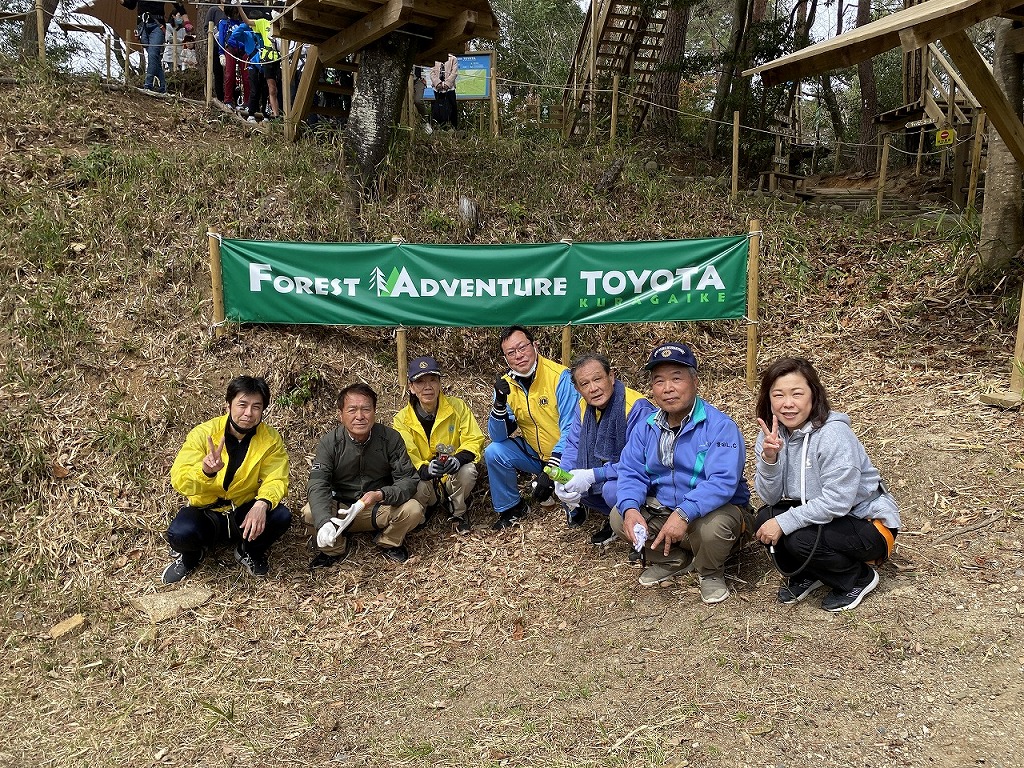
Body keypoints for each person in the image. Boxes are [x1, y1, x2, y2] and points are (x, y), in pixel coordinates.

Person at [753, 357, 900, 612]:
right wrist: (770, 459)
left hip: (866, 523)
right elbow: (771, 497)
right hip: (824, 517)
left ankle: (857, 578)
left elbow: (837, 501)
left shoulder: (833, 434)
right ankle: (812, 572)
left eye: (797, 394)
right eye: (778, 395)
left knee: (796, 536)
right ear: (769, 399)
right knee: (764, 517)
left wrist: (784, 522)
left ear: (814, 394)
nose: (788, 404)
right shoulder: (771, 436)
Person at [613, 343, 752, 604]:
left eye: (677, 378)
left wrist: (684, 512)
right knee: (619, 516)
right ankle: (674, 559)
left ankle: (710, 572)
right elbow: (631, 472)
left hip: (712, 513)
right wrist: (631, 509)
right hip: (666, 511)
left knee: (715, 528)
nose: (668, 388)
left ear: (695, 381)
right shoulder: (647, 427)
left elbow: (722, 482)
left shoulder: (720, 426)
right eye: (659, 381)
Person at [162, 376, 291, 583]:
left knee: (281, 516)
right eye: (242, 405)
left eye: (256, 407)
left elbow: (277, 478)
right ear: (228, 405)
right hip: (207, 512)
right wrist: (205, 471)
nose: (248, 413)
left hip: (242, 510)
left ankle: (248, 550)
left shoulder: (270, 439)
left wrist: (262, 503)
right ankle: (191, 557)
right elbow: (179, 479)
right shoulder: (204, 434)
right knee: (180, 533)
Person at [303, 383, 424, 569]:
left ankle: (388, 541)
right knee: (310, 513)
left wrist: (381, 494)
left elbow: (408, 480)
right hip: (341, 509)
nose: (359, 416)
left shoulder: (390, 439)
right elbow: (318, 483)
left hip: (376, 506)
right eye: (352, 410)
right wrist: (324, 521)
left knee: (413, 509)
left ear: (374, 411)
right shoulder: (330, 443)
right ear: (340, 414)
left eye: (366, 409)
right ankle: (333, 548)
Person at [484, 325, 578, 529]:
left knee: (573, 494)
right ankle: (512, 508)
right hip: (535, 453)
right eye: (511, 352)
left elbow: (572, 430)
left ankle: (578, 505)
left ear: (535, 345)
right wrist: (499, 403)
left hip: (569, 455)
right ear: (505, 358)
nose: (518, 356)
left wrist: (551, 471)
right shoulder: (506, 385)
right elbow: (498, 436)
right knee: (494, 451)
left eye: (522, 347)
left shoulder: (561, 377)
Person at [555, 353, 654, 544]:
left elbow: (641, 462)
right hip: (611, 469)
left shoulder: (636, 408)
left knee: (610, 489)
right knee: (573, 483)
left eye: (598, 379)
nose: (593, 389)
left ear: (612, 376)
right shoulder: (583, 406)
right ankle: (614, 519)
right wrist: (562, 477)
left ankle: (641, 530)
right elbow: (573, 445)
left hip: (641, 476)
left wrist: (594, 474)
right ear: (577, 389)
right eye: (584, 384)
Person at [393, 355, 485, 534]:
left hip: (452, 476)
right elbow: (406, 453)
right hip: (427, 479)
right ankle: (424, 510)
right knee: (415, 484)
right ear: (411, 387)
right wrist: (425, 469)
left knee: (468, 471)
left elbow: (474, 439)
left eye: (433, 380)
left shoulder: (458, 407)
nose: (428, 387)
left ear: (440, 383)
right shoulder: (401, 419)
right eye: (420, 382)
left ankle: (458, 512)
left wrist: (458, 459)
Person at [121, 0, 188, 94]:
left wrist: (186, 21)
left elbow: (178, 4)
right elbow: (131, 5)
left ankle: (148, 85)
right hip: (142, 26)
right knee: (154, 57)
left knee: (152, 54)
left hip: (157, 25)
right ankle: (163, 86)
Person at [240, 8, 281, 120]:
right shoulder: (264, 23)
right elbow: (247, 22)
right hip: (267, 59)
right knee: (270, 88)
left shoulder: (284, 23)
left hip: (282, 58)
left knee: (280, 89)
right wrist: (239, 6)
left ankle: (277, 114)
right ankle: (274, 115)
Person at [203, 1, 227, 97]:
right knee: (218, 73)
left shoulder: (232, 9)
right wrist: (217, 35)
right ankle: (220, 96)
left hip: (230, 46)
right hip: (216, 46)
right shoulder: (213, 10)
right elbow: (207, 27)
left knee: (231, 74)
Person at [429, 52, 459, 129]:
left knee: (452, 107)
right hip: (437, 88)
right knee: (438, 107)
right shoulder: (434, 58)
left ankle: (453, 127)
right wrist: (438, 83)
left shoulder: (453, 58)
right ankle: (439, 127)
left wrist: (447, 84)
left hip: (449, 88)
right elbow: (432, 72)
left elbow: (454, 73)